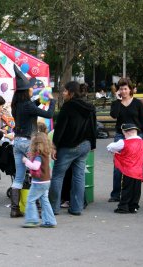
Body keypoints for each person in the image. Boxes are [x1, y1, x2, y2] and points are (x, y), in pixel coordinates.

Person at [10, 65, 56, 218]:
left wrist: (39, 100)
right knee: (38, 173)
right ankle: (39, 208)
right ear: (26, 91)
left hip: (16, 143)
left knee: (19, 177)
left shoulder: (16, 105)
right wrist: (52, 101)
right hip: (28, 142)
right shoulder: (27, 105)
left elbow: (31, 107)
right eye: (30, 87)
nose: (32, 89)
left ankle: (15, 209)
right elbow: (49, 114)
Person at [49, 81, 97, 216]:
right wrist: (92, 145)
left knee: (58, 175)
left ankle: (53, 208)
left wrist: (54, 146)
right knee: (79, 176)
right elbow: (93, 127)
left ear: (71, 92)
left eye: (64, 91)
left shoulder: (68, 106)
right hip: (85, 145)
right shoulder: (89, 107)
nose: (63, 93)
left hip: (69, 146)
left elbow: (60, 128)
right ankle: (76, 208)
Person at [108, 78, 143, 202]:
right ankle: (116, 194)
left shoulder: (137, 103)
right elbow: (114, 115)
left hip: (137, 137)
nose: (123, 91)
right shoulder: (117, 103)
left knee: (135, 166)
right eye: (121, 89)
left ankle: (132, 194)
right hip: (121, 136)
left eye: (125, 88)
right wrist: (118, 101)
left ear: (130, 89)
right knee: (118, 166)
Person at [107, 123, 143, 213]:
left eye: (124, 133)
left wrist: (116, 152)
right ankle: (133, 206)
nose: (124, 135)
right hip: (138, 171)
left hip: (128, 170)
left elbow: (110, 147)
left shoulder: (123, 142)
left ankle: (123, 207)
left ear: (126, 133)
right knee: (136, 190)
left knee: (126, 189)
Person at [22, 132, 57, 228]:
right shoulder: (46, 154)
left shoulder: (39, 156)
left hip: (39, 182)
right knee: (45, 201)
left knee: (30, 200)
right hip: (46, 181)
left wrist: (26, 161)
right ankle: (50, 221)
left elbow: (35, 166)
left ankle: (32, 220)